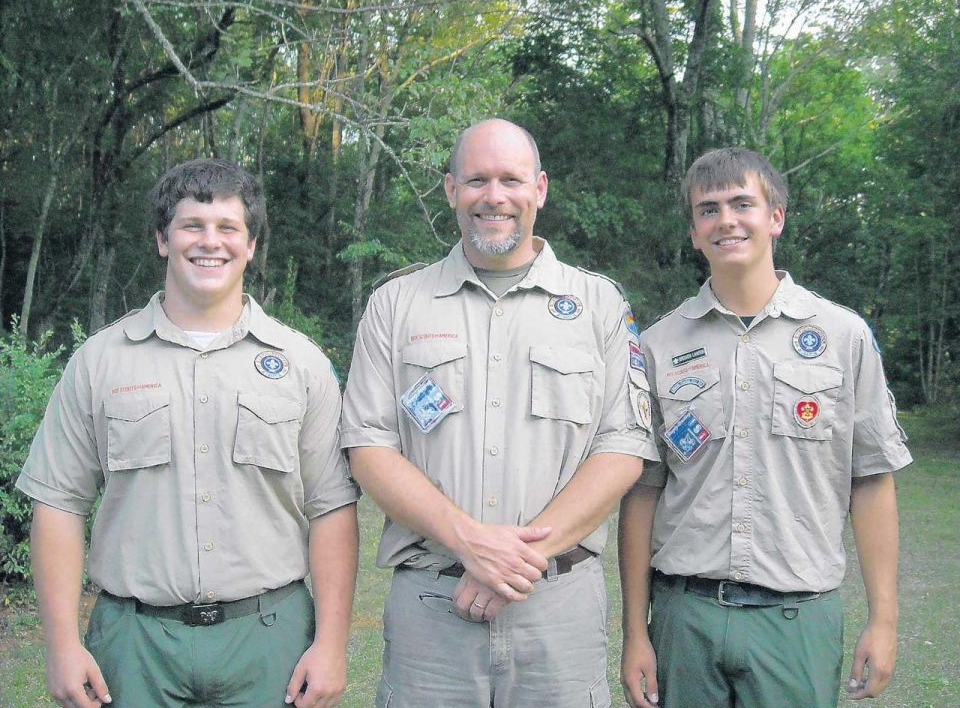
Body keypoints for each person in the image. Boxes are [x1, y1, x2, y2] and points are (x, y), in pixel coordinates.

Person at [17, 159, 360, 708]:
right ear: (162, 239)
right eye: (191, 225)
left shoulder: (302, 365)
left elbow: (332, 508)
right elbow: (58, 503)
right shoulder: (100, 362)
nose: (210, 242)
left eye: (228, 227)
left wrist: (332, 644)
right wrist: (60, 644)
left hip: (269, 641)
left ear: (251, 245)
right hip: (135, 646)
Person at [340, 118, 658, 707]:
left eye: (510, 180)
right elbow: (369, 448)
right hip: (432, 612)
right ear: (450, 189)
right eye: (476, 180)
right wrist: (469, 543)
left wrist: (513, 563)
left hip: (559, 612)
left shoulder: (599, 304)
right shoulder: (395, 304)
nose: (494, 196)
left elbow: (622, 448)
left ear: (540, 188)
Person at [618, 147, 912, 708]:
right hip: (686, 618)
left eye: (742, 204)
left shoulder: (843, 336)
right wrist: (636, 632)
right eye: (708, 210)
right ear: (694, 232)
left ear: (775, 217)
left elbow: (872, 479)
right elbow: (643, 492)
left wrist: (884, 620)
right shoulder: (656, 346)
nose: (726, 220)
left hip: (797, 620)